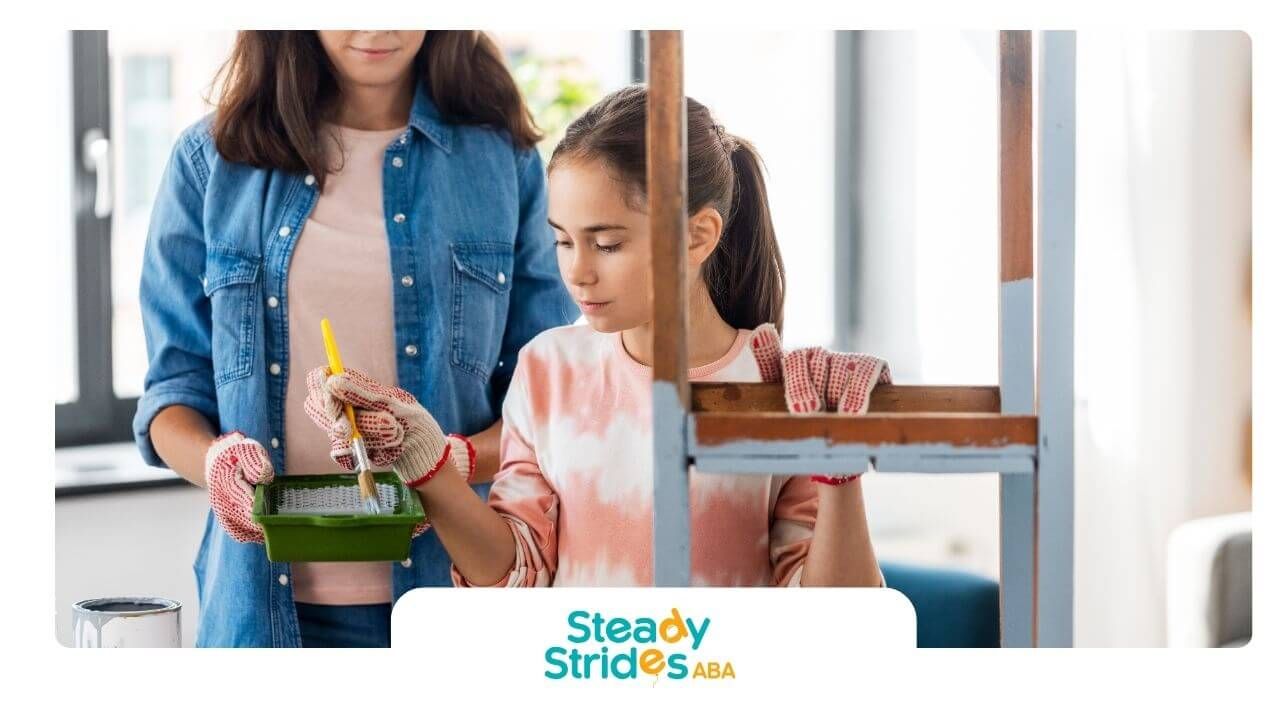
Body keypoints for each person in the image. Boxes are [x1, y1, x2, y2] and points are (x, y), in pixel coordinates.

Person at [305, 86, 887, 589]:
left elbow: (836, 621)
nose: (577, 272)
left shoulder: (785, 391)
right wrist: (429, 467)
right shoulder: (548, 370)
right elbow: (517, 573)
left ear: (697, 236)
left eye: (607, 243)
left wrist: (839, 467)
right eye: (563, 240)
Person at [134, 30, 577, 647]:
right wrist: (214, 464)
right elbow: (172, 390)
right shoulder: (208, 161)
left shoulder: (505, 165)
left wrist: (446, 464)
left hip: (456, 604)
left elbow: (548, 407)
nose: (378, 26)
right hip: (258, 614)